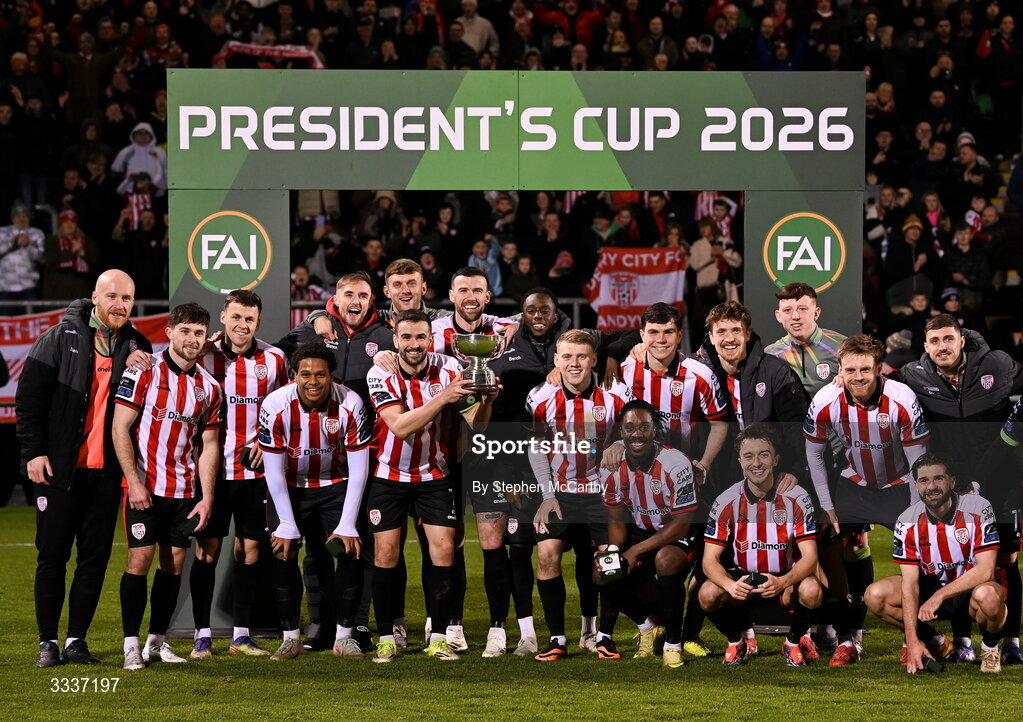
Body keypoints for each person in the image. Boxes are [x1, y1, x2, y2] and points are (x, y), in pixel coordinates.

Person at [16, 270, 150, 668]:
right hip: (60, 472)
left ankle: (76, 641)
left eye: (126, 298)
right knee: (52, 557)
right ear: (94, 297)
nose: (119, 305)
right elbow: (28, 401)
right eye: (112, 296)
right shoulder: (59, 338)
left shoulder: (137, 346)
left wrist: (143, 363)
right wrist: (35, 452)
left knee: (93, 561)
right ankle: (47, 642)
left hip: (106, 476)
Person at [365, 310, 496, 663]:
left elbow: (476, 426)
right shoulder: (380, 371)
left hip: (434, 476)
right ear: (396, 340)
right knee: (386, 555)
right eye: (406, 338)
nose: (413, 345)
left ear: (430, 339)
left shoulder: (450, 368)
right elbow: (400, 427)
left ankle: (438, 637)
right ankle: (387, 637)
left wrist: (487, 400)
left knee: (444, 552)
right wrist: (443, 397)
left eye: (420, 337)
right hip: (388, 475)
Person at [892, 314, 1023, 662]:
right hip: (952, 483)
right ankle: (963, 641)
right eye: (934, 341)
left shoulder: (997, 363)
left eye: (948, 339)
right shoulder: (913, 376)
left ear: (962, 340)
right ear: (925, 346)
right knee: (957, 556)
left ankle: (1011, 641)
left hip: (1001, 479)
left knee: (1007, 559)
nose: (942, 347)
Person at [804, 334, 929, 666]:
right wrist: (828, 507)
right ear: (840, 371)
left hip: (899, 484)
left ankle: (921, 637)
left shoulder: (902, 397)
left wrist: (917, 510)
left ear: (879, 370)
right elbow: (815, 456)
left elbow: (918, 460)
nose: (858, 376)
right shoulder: (825, 399)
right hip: (853, 482)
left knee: (918, 556)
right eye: (850, 370)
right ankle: (849, 640)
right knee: (831, 546)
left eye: (864, 369)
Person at [112, 303, 223, 671]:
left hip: (183, 492)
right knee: (139, 560)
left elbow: (208, 447)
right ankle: (131, 645)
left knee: (173, 565)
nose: (192, 339)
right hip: (145, 489)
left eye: (199, 333)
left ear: (206, 339)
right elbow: (119, 428)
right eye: (186, 331)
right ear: (169, 332)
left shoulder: (209, 388)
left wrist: (206, 498)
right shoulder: (143, 371)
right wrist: (134, 482)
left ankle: (156, 642)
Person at [187, 290, 288, 658]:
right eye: (236, 317)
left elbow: (285, 409)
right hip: (211, 471)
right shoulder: (203, 354)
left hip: (255, 474)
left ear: (257, 322)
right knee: (208, 551)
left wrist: (267, 441)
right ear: (223, 317)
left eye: (249, 319)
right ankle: (202, 635)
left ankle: (241, 635)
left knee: (249, 550)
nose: (242, 325)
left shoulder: (275, 359)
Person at [259, 343, 372, 661]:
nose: (313, 381)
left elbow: (359, 469)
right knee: (284, 554)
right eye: (305, 374)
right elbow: (273, 472)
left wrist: (348, 523)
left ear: (331, 376)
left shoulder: (350, 402)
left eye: (320, 374)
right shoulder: (275, 404)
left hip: (337, 486)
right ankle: (290, 638)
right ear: (294, 375)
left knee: (349, 553)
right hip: (291, 488)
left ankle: (344, 638)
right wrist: (286, 523)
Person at [528, 330, 633, 661]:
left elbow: (640, 435)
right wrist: (547, 495)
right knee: (546, 556)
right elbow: (536, 449)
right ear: (556, 361)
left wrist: (621, 443)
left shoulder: (616, 396)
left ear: (594, 360)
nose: (574, 363)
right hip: (559, 494)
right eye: (567, 357)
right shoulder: (541, 399)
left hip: (603, 495)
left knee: (610, 563)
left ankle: (605, 636)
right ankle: (557, 639)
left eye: (581, 357)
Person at [865, 453, 1007, 674]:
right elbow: (910, 584)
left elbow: (986, 569)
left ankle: (990, 651)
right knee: (874, 595)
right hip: (930, 587)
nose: (931, 486)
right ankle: (938, 643)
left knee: (989, 597)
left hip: (971, 589)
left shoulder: (978, 507)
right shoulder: (906, 520)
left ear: (952, 481)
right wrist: (912, 641)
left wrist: (939, 596)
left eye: (938, 478)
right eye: (924, 480)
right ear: (916, 485)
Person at [700, 424, 822, 667]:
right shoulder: (725, 501)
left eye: (764, 454)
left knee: (812, 590)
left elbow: (810, 558)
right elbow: (709, 561)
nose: (757, 463)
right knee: (707, 594)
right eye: (749, 456)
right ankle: (736, 642)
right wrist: (729, 585)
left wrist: (783, 582)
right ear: (740, 461)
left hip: (784, 580)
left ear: (776, 459)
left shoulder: (798, 497)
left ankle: (794, 642)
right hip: (744, 580)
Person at [596, 400, 700, 668]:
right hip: (642, 532)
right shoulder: (609, 471)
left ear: (655, 430)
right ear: (621, 431)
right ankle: (647, 625)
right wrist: (613, 551)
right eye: (630, 427)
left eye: (644, 427)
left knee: (665, 561)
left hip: (677, 531)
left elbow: (682, 524)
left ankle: (673, 645)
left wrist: (635, 551)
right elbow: (617, 522)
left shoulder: (676, 463)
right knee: (602, 572)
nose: (637, 433)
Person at [278, 271, 394, 408]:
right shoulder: (313, 328)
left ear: (369, 303)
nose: (356, 301)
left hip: (364, 423)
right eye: (349, 295)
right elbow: (276, 354)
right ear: (336, 300)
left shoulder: (386, 337)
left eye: (363, 296)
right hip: (318, 422)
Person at [764, 282, 847, 398]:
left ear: (816, 313)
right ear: (779, 316)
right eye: (787, 310)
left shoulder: (842, 346)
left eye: (802, 309)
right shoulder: (771, 355)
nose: (795, 316)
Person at [0, 200, 45, 305]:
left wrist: (28, 246)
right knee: (6, 321)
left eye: (24, 216)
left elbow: (42, 258)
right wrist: (10, 244)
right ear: (13, 218)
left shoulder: (37, 233)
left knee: (29, 319)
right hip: (5, 288)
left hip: (28, 288)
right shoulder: (2, 232)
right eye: (18, 216)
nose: (21, 219)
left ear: (29, 217)